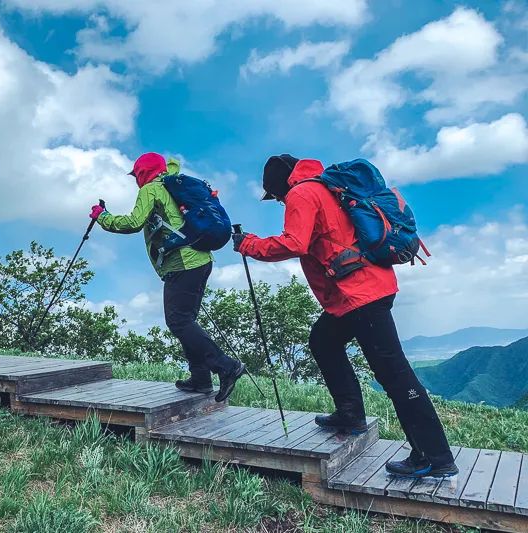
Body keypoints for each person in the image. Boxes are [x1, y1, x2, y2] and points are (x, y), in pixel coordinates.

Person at [232, 154, 458, 479]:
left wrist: (249, 244)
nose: (279, 201)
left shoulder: (301, 193)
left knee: (395, 375)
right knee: (323, 340)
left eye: (276, 196)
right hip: (359, 291)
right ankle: (350, 414)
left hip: (361, 296)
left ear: (280, 186)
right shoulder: (327, 188)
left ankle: (434, 458)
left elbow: (295, 242)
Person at [90, 152, 245, 403]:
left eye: (136, 176)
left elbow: (132, 222)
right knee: (185, 320)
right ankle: (200, 379)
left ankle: (226, 367)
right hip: (200, 260)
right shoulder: (172, 183)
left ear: (142, 173)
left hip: (183, 263)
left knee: (178, 321)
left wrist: (102, 217)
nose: (135, 181)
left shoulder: (151, 189)